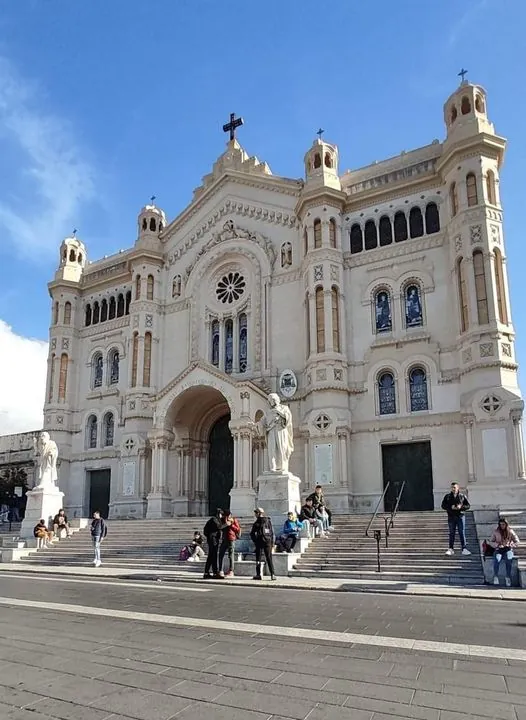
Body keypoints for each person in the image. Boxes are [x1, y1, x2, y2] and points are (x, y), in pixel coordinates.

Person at [441, 482, 471, 556]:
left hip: (460, 516)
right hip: (451, 517)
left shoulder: (462, 496)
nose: (453, 489)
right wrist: (451, 507)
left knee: (462, 532)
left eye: (455, 487)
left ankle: (464, 548)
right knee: (452, 533)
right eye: (452, 487)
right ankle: (451, 548)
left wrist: (461, 507)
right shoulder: (447, 496)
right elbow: (443, 505)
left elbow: (468, 506)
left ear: (458, 488)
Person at [489, 517, 520, 587]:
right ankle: (496, 576)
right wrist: (497, 545)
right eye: (500, 524)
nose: (502, 526)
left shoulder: (510, 531)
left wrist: (512, 544)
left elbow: (517, 540)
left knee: (509, 560)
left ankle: (508, 577)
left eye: (503, 524)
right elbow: (490, 541)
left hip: (508, 549)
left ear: (506, 524)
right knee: (497, 559)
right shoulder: (496, 531)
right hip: (498, 549)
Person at [250, 508, 276, 581]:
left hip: (259, 541)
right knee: (269, 558)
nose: (255, 515)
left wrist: (255, 541)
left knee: (258, 558)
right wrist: (272, 542)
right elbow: (272, 532)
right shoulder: (268, 521)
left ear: (258, 513)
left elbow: (252, 533)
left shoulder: (257, 523)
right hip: (268, 541)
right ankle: (272, 574)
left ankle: (258, 574)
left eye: (256, 513)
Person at [219, 510, 241, 577]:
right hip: (224, 539)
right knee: (221, 554)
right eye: (227, 515)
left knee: (231, 555)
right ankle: (220, 570)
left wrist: (231, 525)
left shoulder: (234, 520)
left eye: (229, 515)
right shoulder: (222, 520)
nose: (228, 517)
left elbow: (238, 529)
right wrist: (225, 524)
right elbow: (220, 528)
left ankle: (231, 571)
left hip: (231, 539)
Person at [203, 508, 224, 580]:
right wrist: (226, 524)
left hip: (213, 539)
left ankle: (207, 572)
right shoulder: (214, 519)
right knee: (213, 555)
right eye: (221, 514)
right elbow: (219, 526)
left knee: (211, 556)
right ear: (218, 514)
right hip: (213, 539)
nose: (222, 516)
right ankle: (214, 572)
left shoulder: (214, 519)